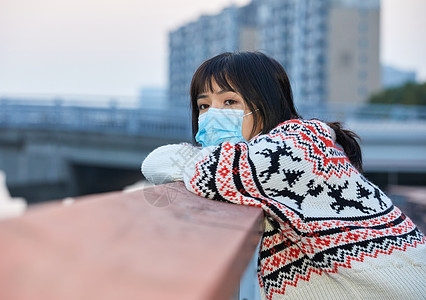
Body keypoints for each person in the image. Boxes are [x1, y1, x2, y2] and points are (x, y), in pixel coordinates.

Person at [141, 52, 426, 299]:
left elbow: (202, 169)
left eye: (230, 102)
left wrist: (198, 159)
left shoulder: (301, 141)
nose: (212, 114)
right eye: (204, 105)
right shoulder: (260, 164)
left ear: (266, 104)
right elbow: (155, 163)